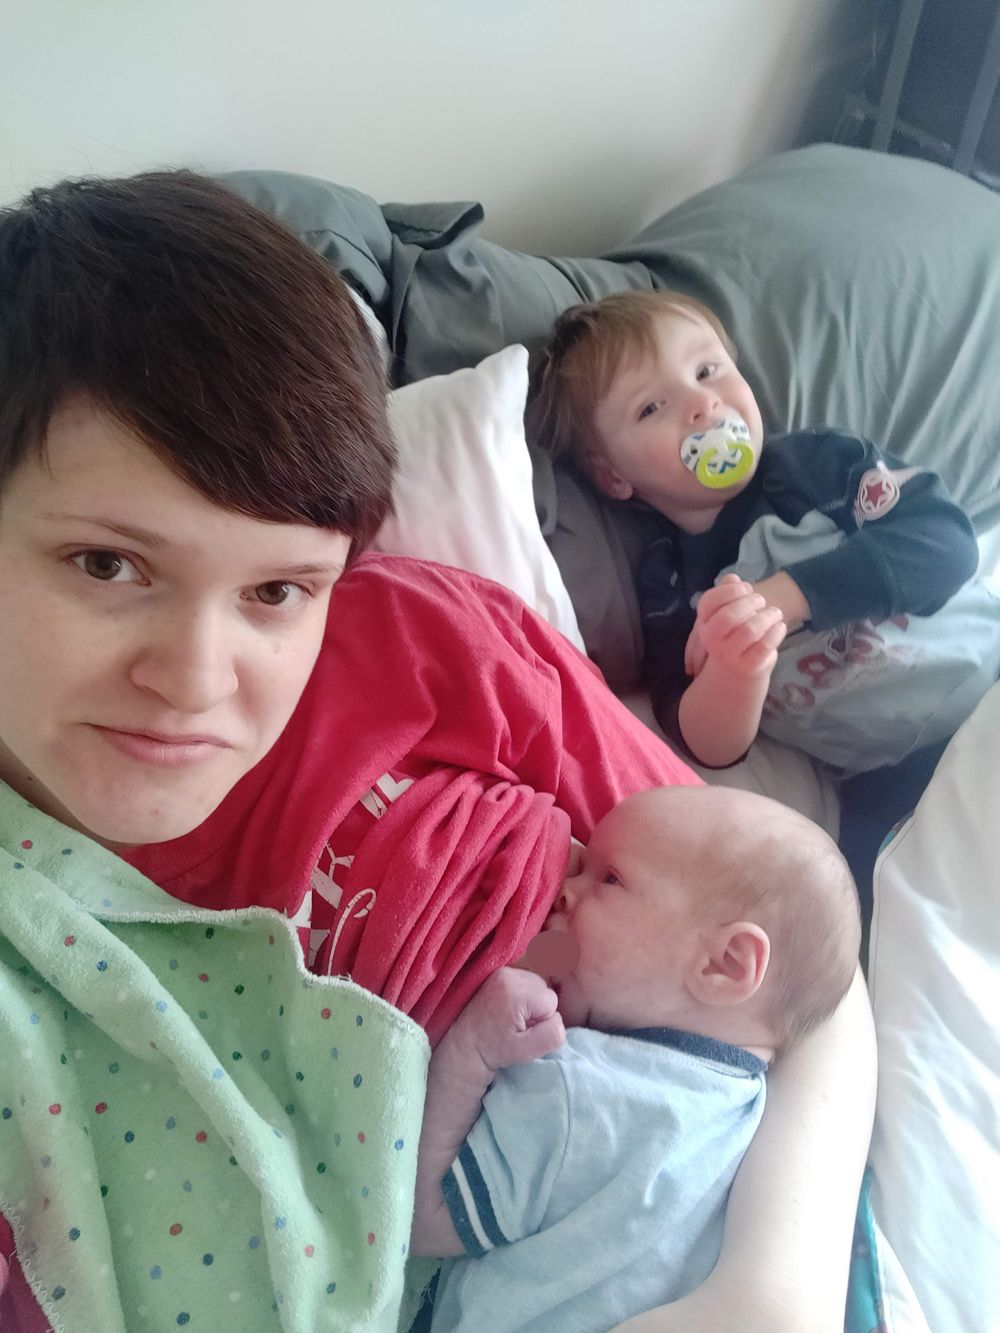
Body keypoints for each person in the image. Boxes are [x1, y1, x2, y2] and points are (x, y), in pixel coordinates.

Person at [0, 171, 875, 1333]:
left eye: (277, 590)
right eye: (108, 566)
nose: (197, 679)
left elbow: (793, 950)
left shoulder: (429, 641)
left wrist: (768, 1292)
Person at [410, 785, 861, 1331]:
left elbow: (423, 1219)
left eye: (610, 879)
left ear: (725, 964)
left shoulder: (575, 1090)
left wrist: (472, 1047)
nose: (564, 889)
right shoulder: (758, 1114)